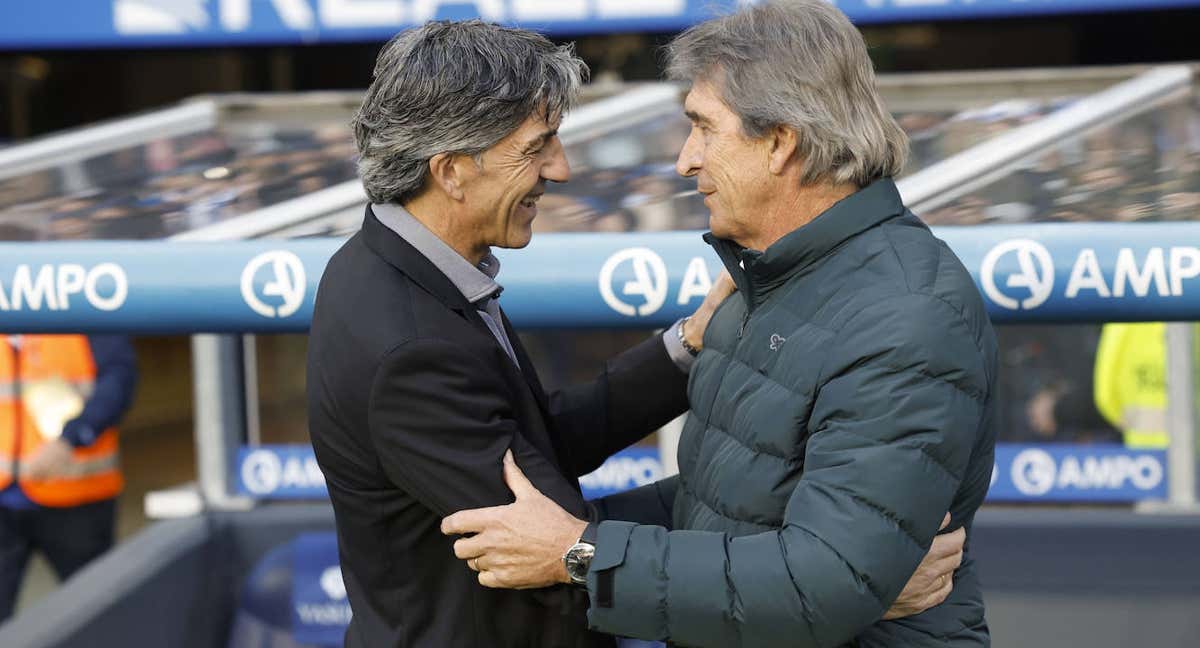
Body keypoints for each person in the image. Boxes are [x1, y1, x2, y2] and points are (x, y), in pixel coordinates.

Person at [307, 19, 961, 648]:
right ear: (451, 170)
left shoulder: (401, 271)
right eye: (537, 147)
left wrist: (686, 347)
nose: (559, 169)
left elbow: (541, 450)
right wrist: (840, 580)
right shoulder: (407, 344)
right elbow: (547, 548)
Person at [0, 334, 137, 621]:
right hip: (3, 500)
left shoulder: (82, 307)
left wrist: (72, 438)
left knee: (96, 615)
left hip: (75, 498)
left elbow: (118, 381)